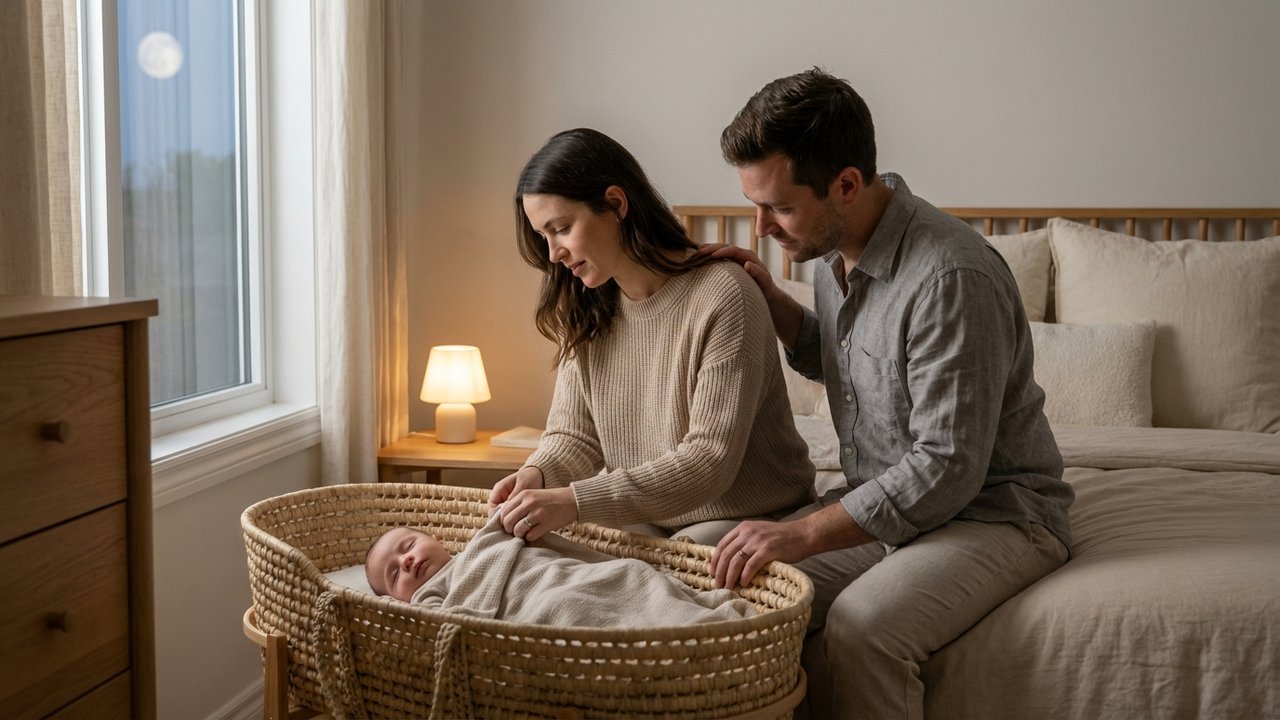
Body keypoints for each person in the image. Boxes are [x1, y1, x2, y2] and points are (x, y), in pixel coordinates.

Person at [704, 68, 1075, 719]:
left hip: (992, 514)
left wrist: (803, 534)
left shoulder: (950, 277)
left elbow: (947, 465)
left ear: (847, 185)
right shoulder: (834, 251)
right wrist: (775, 304)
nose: (760, 227)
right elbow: (853, 366)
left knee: (863, 628)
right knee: (715, 570)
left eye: (779, 207)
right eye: (754, 205)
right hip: (883, 501)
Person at [489, 128, 815, 547]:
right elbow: (575, 435)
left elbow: (708, 462)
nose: (554, 254)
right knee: (539, 551)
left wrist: (574, 500)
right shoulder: (589, 307)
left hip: (749, 518)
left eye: (562, 228)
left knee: (661, 571)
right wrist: (536, 475)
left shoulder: (724, 294)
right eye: (543, 237)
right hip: (654, 518)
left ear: (615, 204)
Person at [363, 516, 756, 627]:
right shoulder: (428, 599)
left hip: (582, 579)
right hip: (547, 603)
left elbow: (550, 548)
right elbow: (444, 626)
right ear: (396, 599)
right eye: (394, 574)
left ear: (435, 538)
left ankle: (696, 622)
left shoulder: (485, 544)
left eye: (408, 546)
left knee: (634, 577)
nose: (407, 562)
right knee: (566, 608)